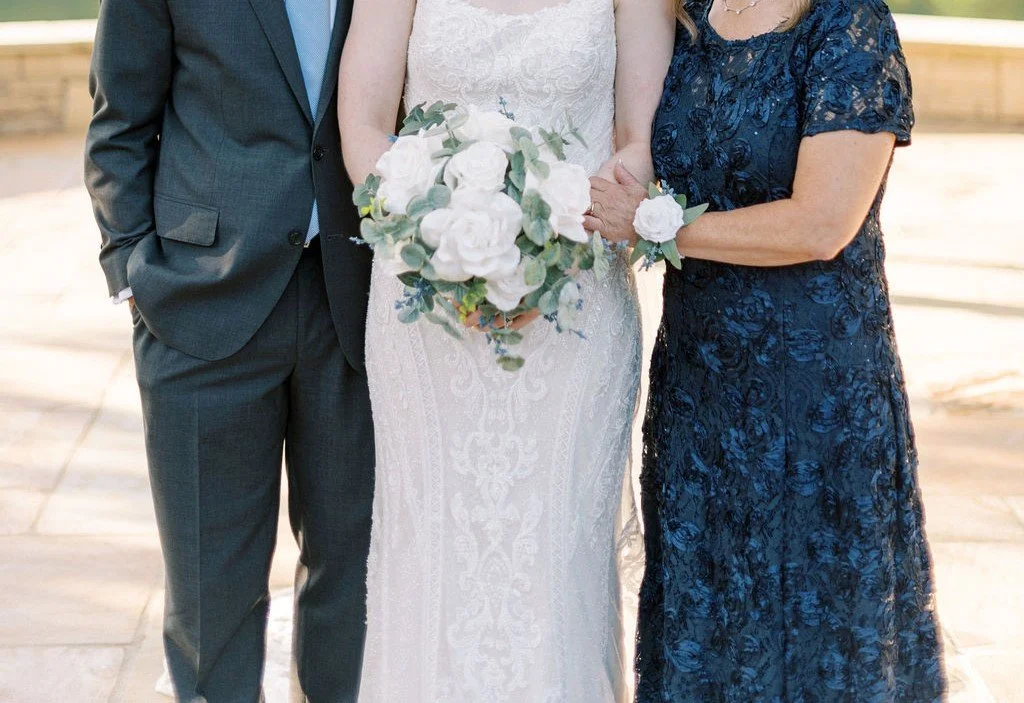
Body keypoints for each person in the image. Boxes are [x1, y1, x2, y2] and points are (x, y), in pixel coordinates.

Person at [587, 0, 948, 699]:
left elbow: (821, 224)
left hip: (813, 392)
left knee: (810, 633)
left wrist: (656, 226)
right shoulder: (691, 16)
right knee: (712, 615)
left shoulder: (848, 26)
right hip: (699, 391)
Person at [336, 0, 674, 699]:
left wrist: (550, 247)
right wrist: (438, 249)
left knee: (556, 560)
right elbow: (364, 124)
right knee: (432, 554)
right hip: (428, 305)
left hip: (574, 299)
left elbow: (640, 138)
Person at [84, 1, 374, 700]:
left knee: (353, 573)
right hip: (201, 306)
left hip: (354, 303)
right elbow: (118, 126)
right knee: (212, 593)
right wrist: (133, 272)